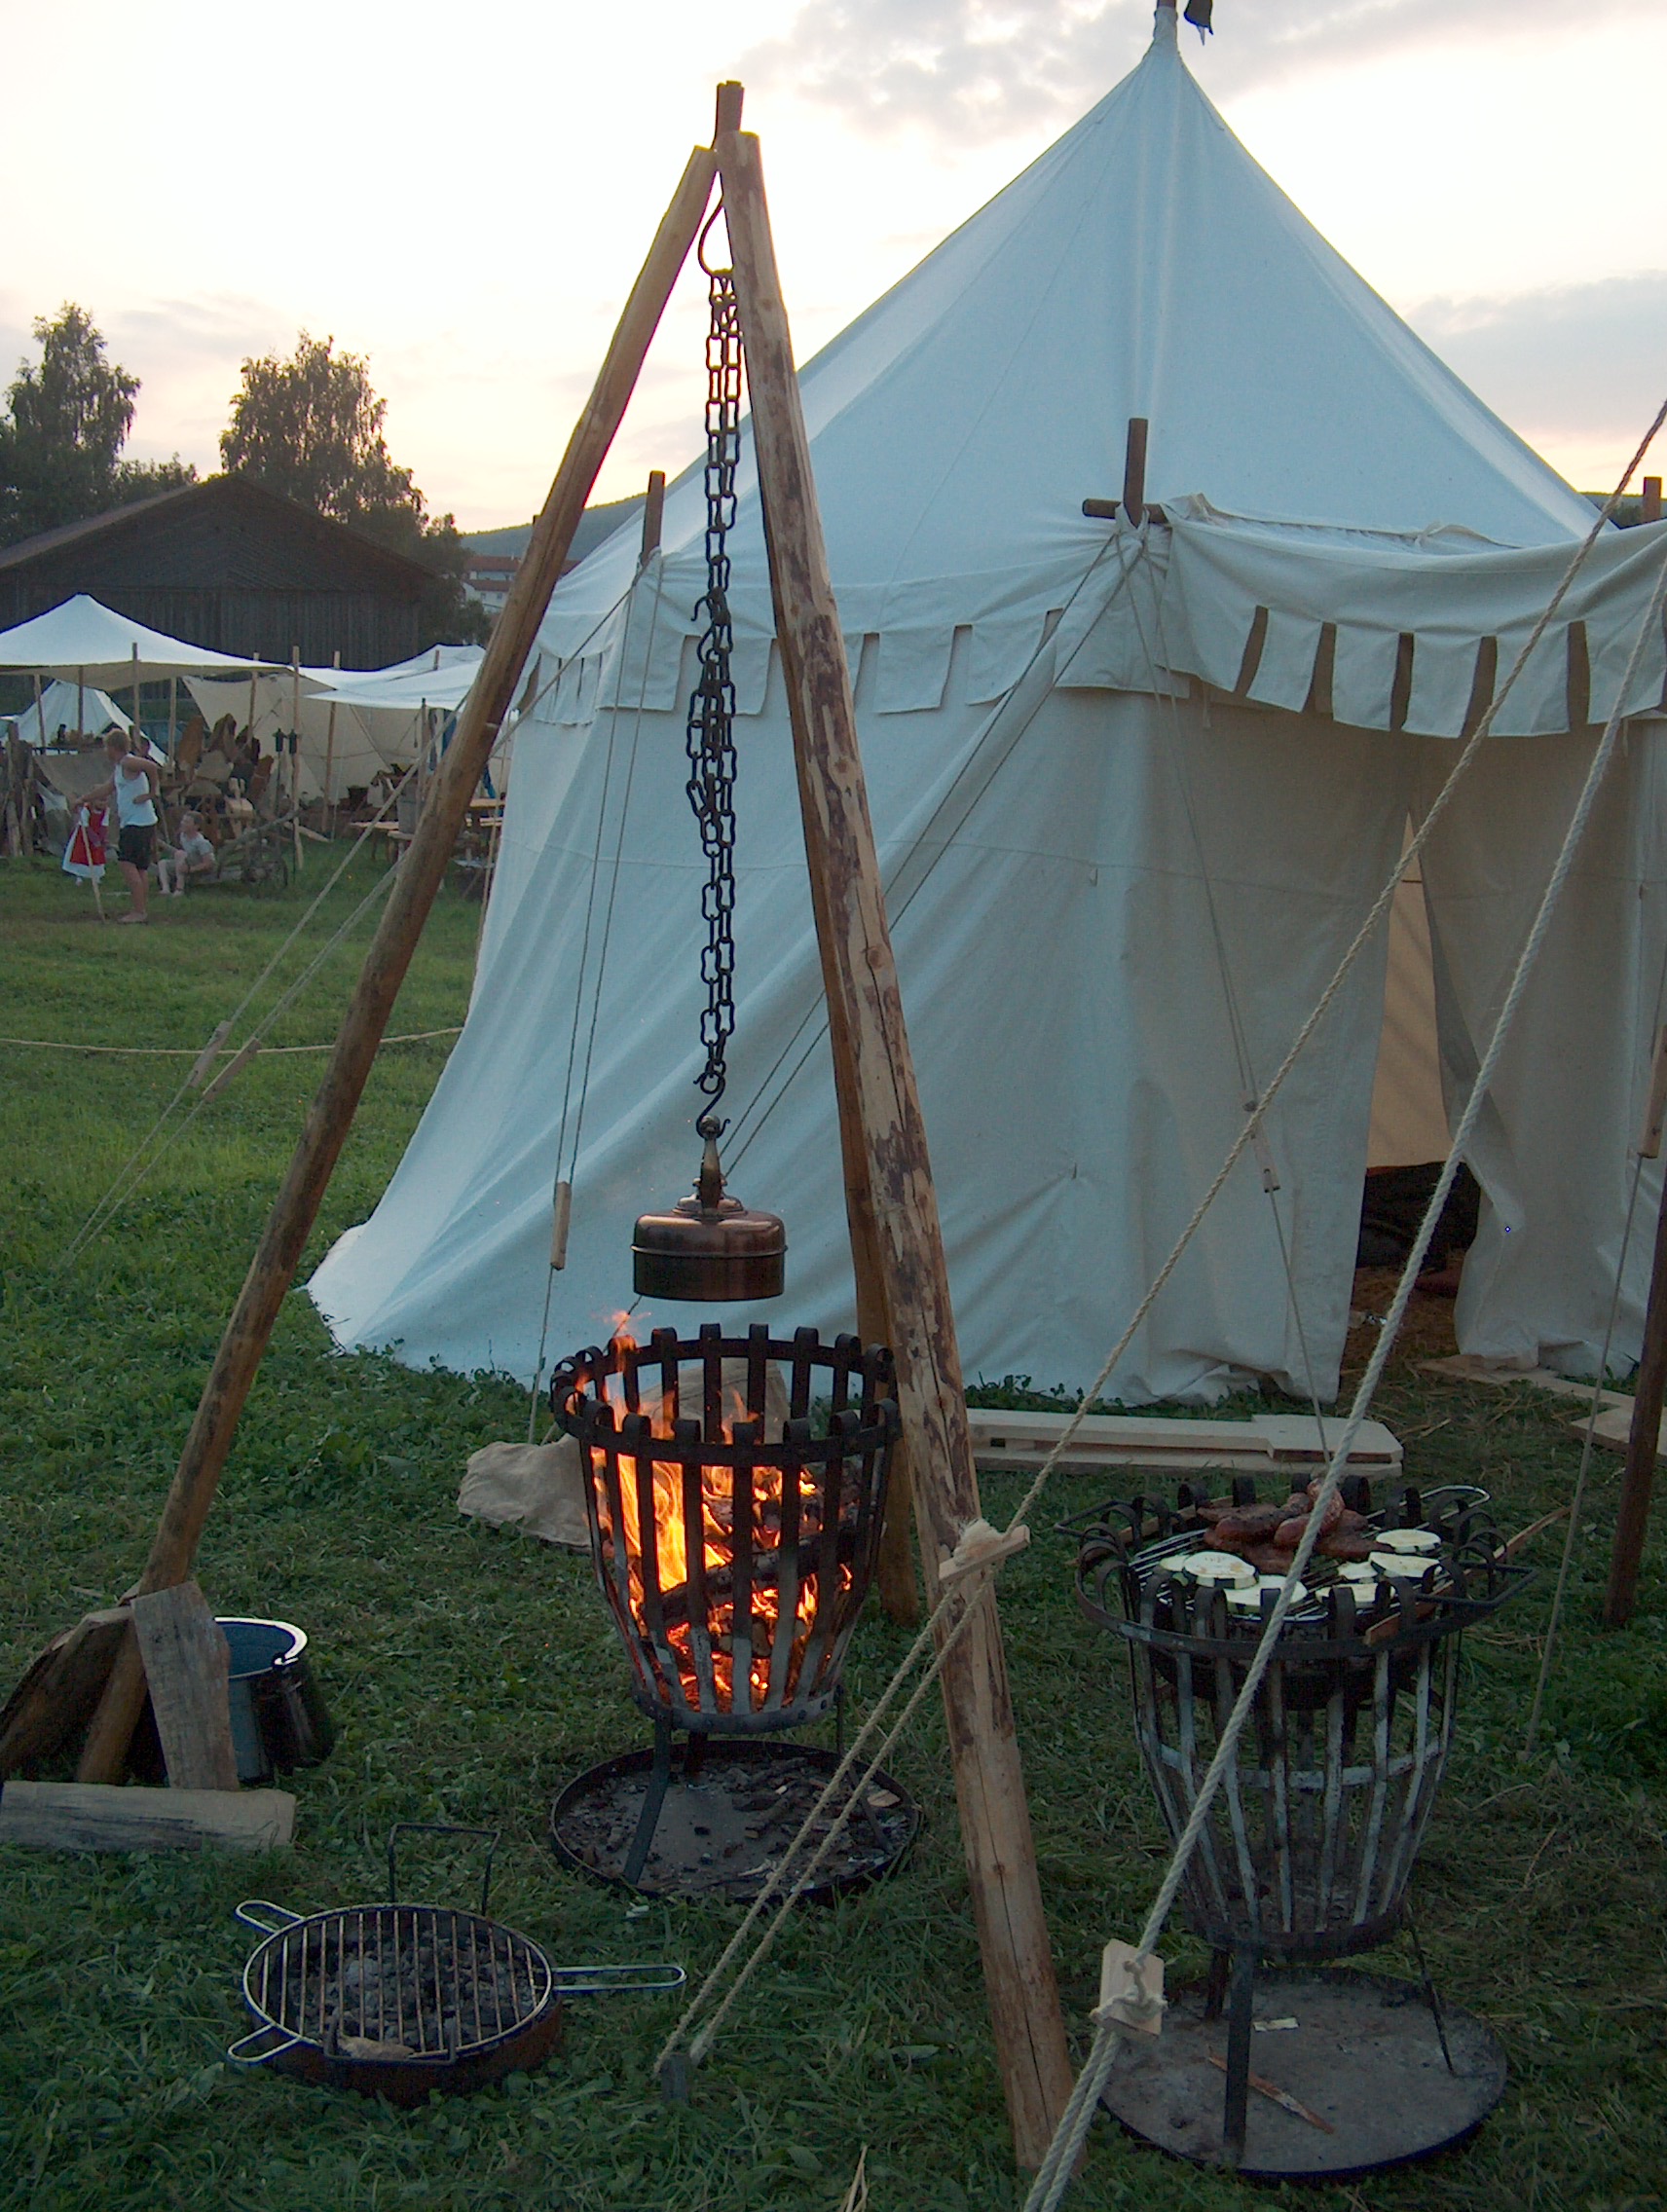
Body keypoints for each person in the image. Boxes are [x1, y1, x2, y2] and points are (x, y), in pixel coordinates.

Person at [84, 731, 161, 924]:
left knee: (127, 864)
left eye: (106, 747)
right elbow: (107, 788)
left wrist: (152, 793)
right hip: (138, 821)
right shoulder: (119, 767)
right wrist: (83, 799)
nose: (105, 751)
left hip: (137, 823)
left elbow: (151, 766)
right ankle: (141, 908)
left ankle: (139, 911)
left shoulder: (128, 762)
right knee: (140, 868)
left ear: (112, 747)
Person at [157, 810, 217, 896]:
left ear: (196, 826)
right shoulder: (183, 836)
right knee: (162, 863)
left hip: (198, 867)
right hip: (186, 862)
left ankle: (179, 889)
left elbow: (209, 863)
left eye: (187, 822)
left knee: (180, 855)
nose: (182, 823)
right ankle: (165, 889)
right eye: (183, 821)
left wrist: (190, 869)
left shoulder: (201, 842)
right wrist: (162, 844)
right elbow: (179, 853)